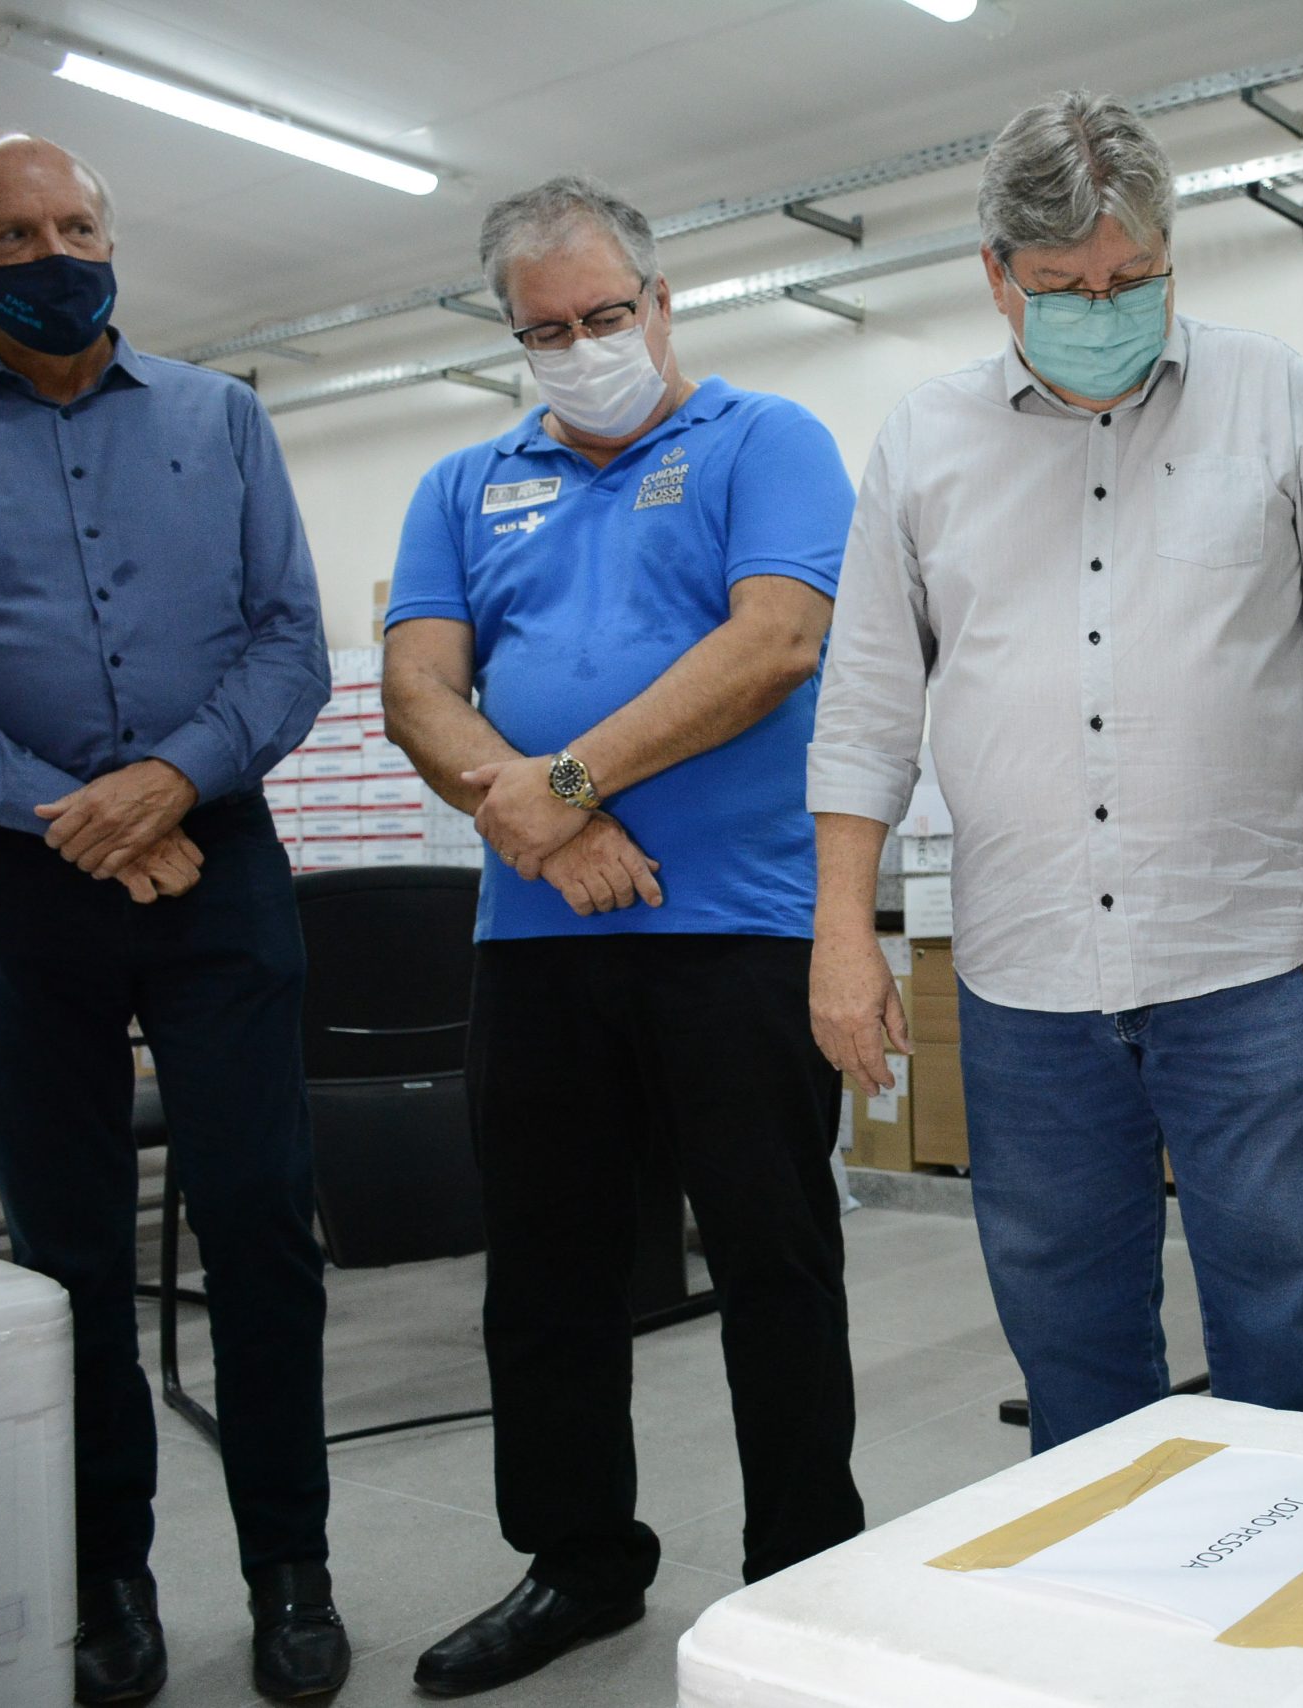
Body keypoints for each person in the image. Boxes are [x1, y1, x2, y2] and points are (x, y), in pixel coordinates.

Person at [809, 92, 1303, 1454]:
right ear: (997, 276)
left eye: (1133, 277)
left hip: (1252, 963)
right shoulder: (921, 445)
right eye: (1064, 286)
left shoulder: (1274, 396)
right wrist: (841, 935)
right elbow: (863, 714)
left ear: (1168, 254)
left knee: (1291, 1332)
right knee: (1072, 1352)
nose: (1103, 307)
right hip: (1026, 983)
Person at [381, 174, 862, 1695]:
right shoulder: (464, 484)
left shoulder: (764, 441)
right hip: (534, 943)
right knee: (546, 1276)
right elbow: (418, 687)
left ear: (660, 303)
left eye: (605, 314)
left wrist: (571, 781)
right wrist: (544, 823)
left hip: (740, 930)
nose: (582, 345)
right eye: (547, 329)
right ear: (511, 336)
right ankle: (579, 1563)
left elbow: (775, 640)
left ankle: (807, 1571)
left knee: (774, 1262)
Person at [0, 133, 346, 1702]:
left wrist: (166, 786)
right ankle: (106, 1581)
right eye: (16, 236)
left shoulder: (220, 417)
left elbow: (289, 644)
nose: (57, 255)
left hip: (214, 861)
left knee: (261, 1219)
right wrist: (73, 817)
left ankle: (291, 1567)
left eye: (78, 225)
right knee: (69, 1245)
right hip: (22, 882)